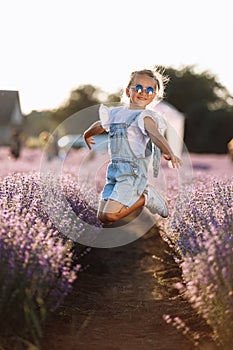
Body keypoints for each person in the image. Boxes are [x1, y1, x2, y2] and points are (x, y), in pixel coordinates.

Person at [83, 68, 182, 225]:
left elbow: (155, 135)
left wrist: (169, 151)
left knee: (110, 215)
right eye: (138, 88)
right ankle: (144, 197)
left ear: (153, 96)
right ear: (128, 91)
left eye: (149, 90)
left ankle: (147, 198)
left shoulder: (146, 117)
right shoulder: (115, 113)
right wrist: (87, 134)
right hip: (114, 170)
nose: (143, 92)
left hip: (132, 172)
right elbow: (100, 125)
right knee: (102, 216)